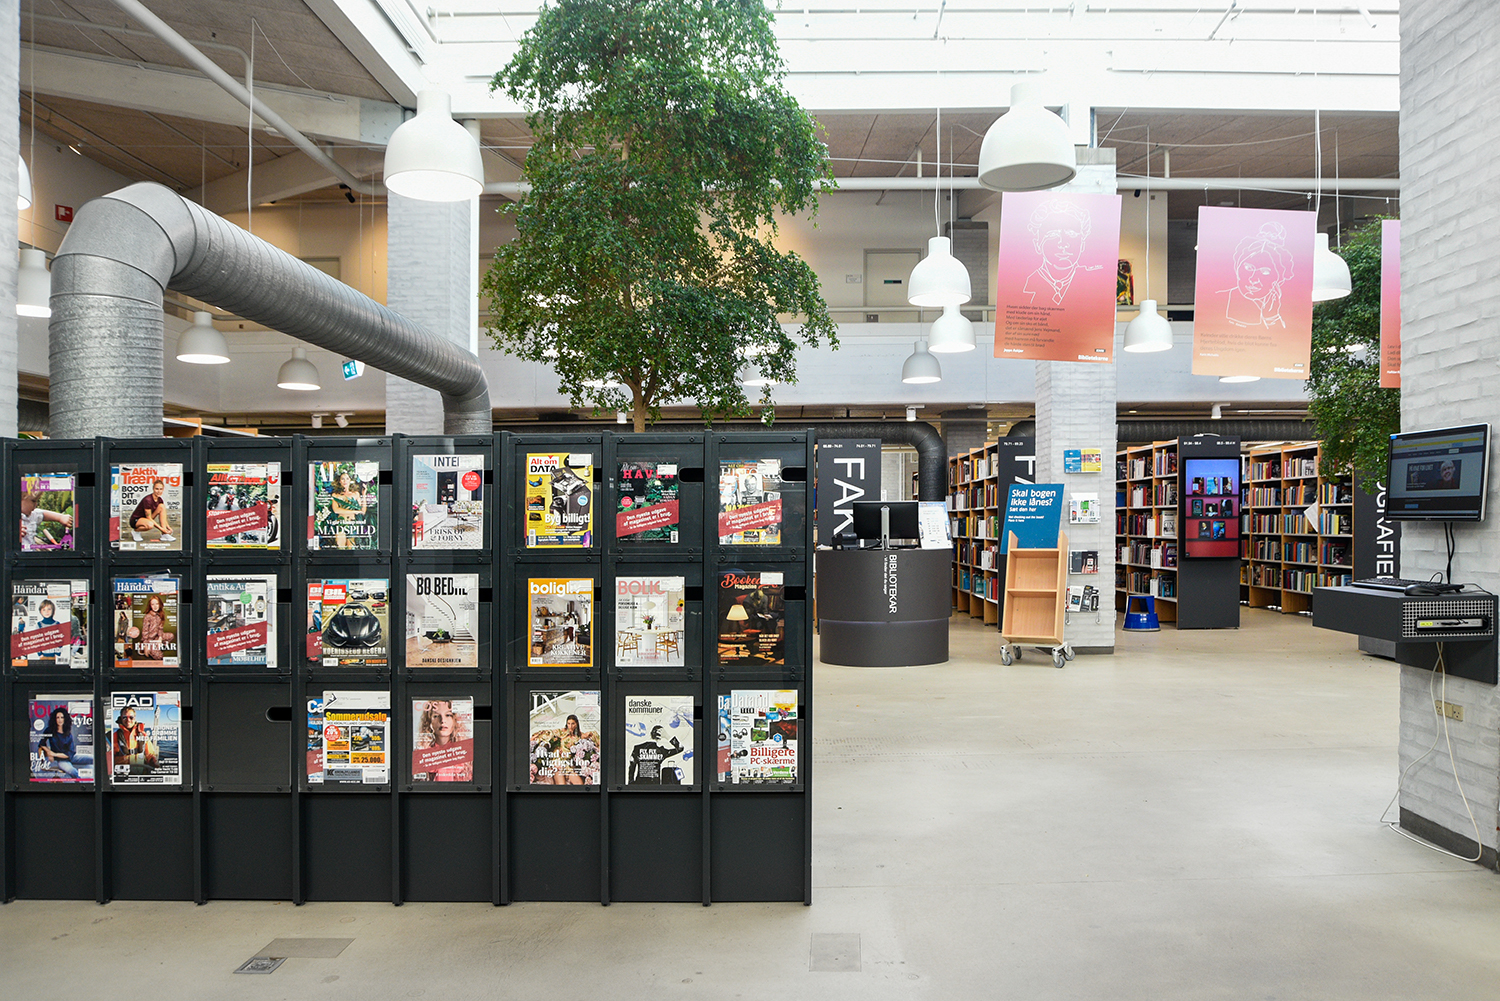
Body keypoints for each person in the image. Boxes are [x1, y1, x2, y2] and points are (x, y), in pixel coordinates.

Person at [1021, 200, 1102, 306]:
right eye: (1053, 234)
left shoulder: (1095, 284)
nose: (1063, 243)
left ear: (1082, 244)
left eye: (1071, 234)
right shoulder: (1024, 286)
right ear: (1037, 245)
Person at [1220, 222, 1295, 329]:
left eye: (1265, 272)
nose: (1253, 279)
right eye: (1248, 268)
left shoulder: (1287, 308)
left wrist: (1272, 318)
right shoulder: (1219, 301)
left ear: (1278, 279)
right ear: (1237, 269)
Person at [414, 699, 473, 782]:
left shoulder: (467, 754)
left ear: (455, 720)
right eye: (436, 716)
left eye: (448, 715)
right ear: (429, 721)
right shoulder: (420, 755)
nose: (442, 720)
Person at [36, 706, 92, 780]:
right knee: (73, 771)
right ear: (54, 719)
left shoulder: (68, 733)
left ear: (65, 719)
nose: (60, 720)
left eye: (62, 717)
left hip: (71, 757)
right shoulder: (49, 730)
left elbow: (70, 753)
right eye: (57, 717)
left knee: (93, 758)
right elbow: (41, 743)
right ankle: (81, 784)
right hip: (61, 760)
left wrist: (54, 754)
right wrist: (49, 753)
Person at [111, 705, 158, 773]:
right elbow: (108, 758)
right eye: (124, 717)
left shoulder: (143, 735)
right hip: (121, 773)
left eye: (131, 717)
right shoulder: (114, 736)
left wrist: (155, 764)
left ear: (135, 718)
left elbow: (150, 755)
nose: (128, 720)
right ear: (121, 718)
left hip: (140, 772)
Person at [128, 478, 175, 543]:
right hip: (136, 520)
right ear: (153, 489)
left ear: (163, 489)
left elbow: (163, 517)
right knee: (150, 525)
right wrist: (162, 529)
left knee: (162, 506)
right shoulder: (148, 500)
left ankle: (164, 535)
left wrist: (168, 528)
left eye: (161, 489)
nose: (159, 491)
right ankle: (135, 531)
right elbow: (149, 518)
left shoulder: (160, 499)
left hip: (146, 519)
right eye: (157, 489)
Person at [330, 469, 367, 549]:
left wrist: (364, 495)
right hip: (341, 523)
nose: (345, 481)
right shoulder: (336, 495)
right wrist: (354, 511)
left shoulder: (355, 494)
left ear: (350, 480)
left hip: (352, 524)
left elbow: (363, 511)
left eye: (347, 478)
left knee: (351, 548)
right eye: (342, 479)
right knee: (341, 548)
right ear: (339, 481)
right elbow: (336, 510)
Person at [136, 593, 174, 661]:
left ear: (160, 604)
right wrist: (146, 645)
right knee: (159, 656)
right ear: (150, 606)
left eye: (157, 604)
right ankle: (143, 647)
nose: (155, 606)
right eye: (152, 604)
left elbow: (160, 628)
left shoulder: (160, 615)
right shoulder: (147, 616)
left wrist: (160, 638)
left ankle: (157, 646)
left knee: (171, 636)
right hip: (149, 640)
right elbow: (145, 632)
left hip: (156, 637)